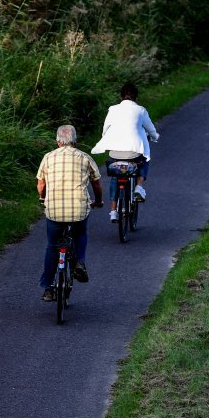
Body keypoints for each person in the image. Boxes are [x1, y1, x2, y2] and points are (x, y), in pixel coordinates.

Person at [36, 124, 104, 301]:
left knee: (52, 245)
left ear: (58, 141)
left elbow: (41, 184)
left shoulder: (48, 157)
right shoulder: (84, 157)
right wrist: (98, 201)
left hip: (54, 211)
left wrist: (42, 198)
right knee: (80, 233)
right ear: (75, 141)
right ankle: (79, 262)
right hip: (78, 210)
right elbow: (96, 183)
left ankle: (48, 288)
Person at [91, 82, 159, 222]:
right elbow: (151, 129)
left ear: (121, 96)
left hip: (115, 154)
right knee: (145, 160)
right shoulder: (141, 110)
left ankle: (113, 211)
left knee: (116, 176)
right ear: (135, 97)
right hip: (133, 154)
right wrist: (154, 136)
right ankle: (139, 186)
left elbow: (105, 130)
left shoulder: (113, 109)